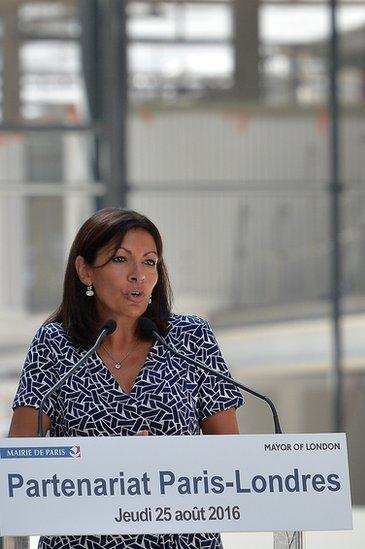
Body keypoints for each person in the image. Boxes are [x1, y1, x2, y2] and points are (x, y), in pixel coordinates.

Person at [8, 208, 245, 549]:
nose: (139, 275)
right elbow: (22, 461)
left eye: (150, 262)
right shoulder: (54, 344)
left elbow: (232, 457)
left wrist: (163, 464)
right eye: (121, 260)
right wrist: (108, 464)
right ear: (85, 270)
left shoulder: (192, 338)